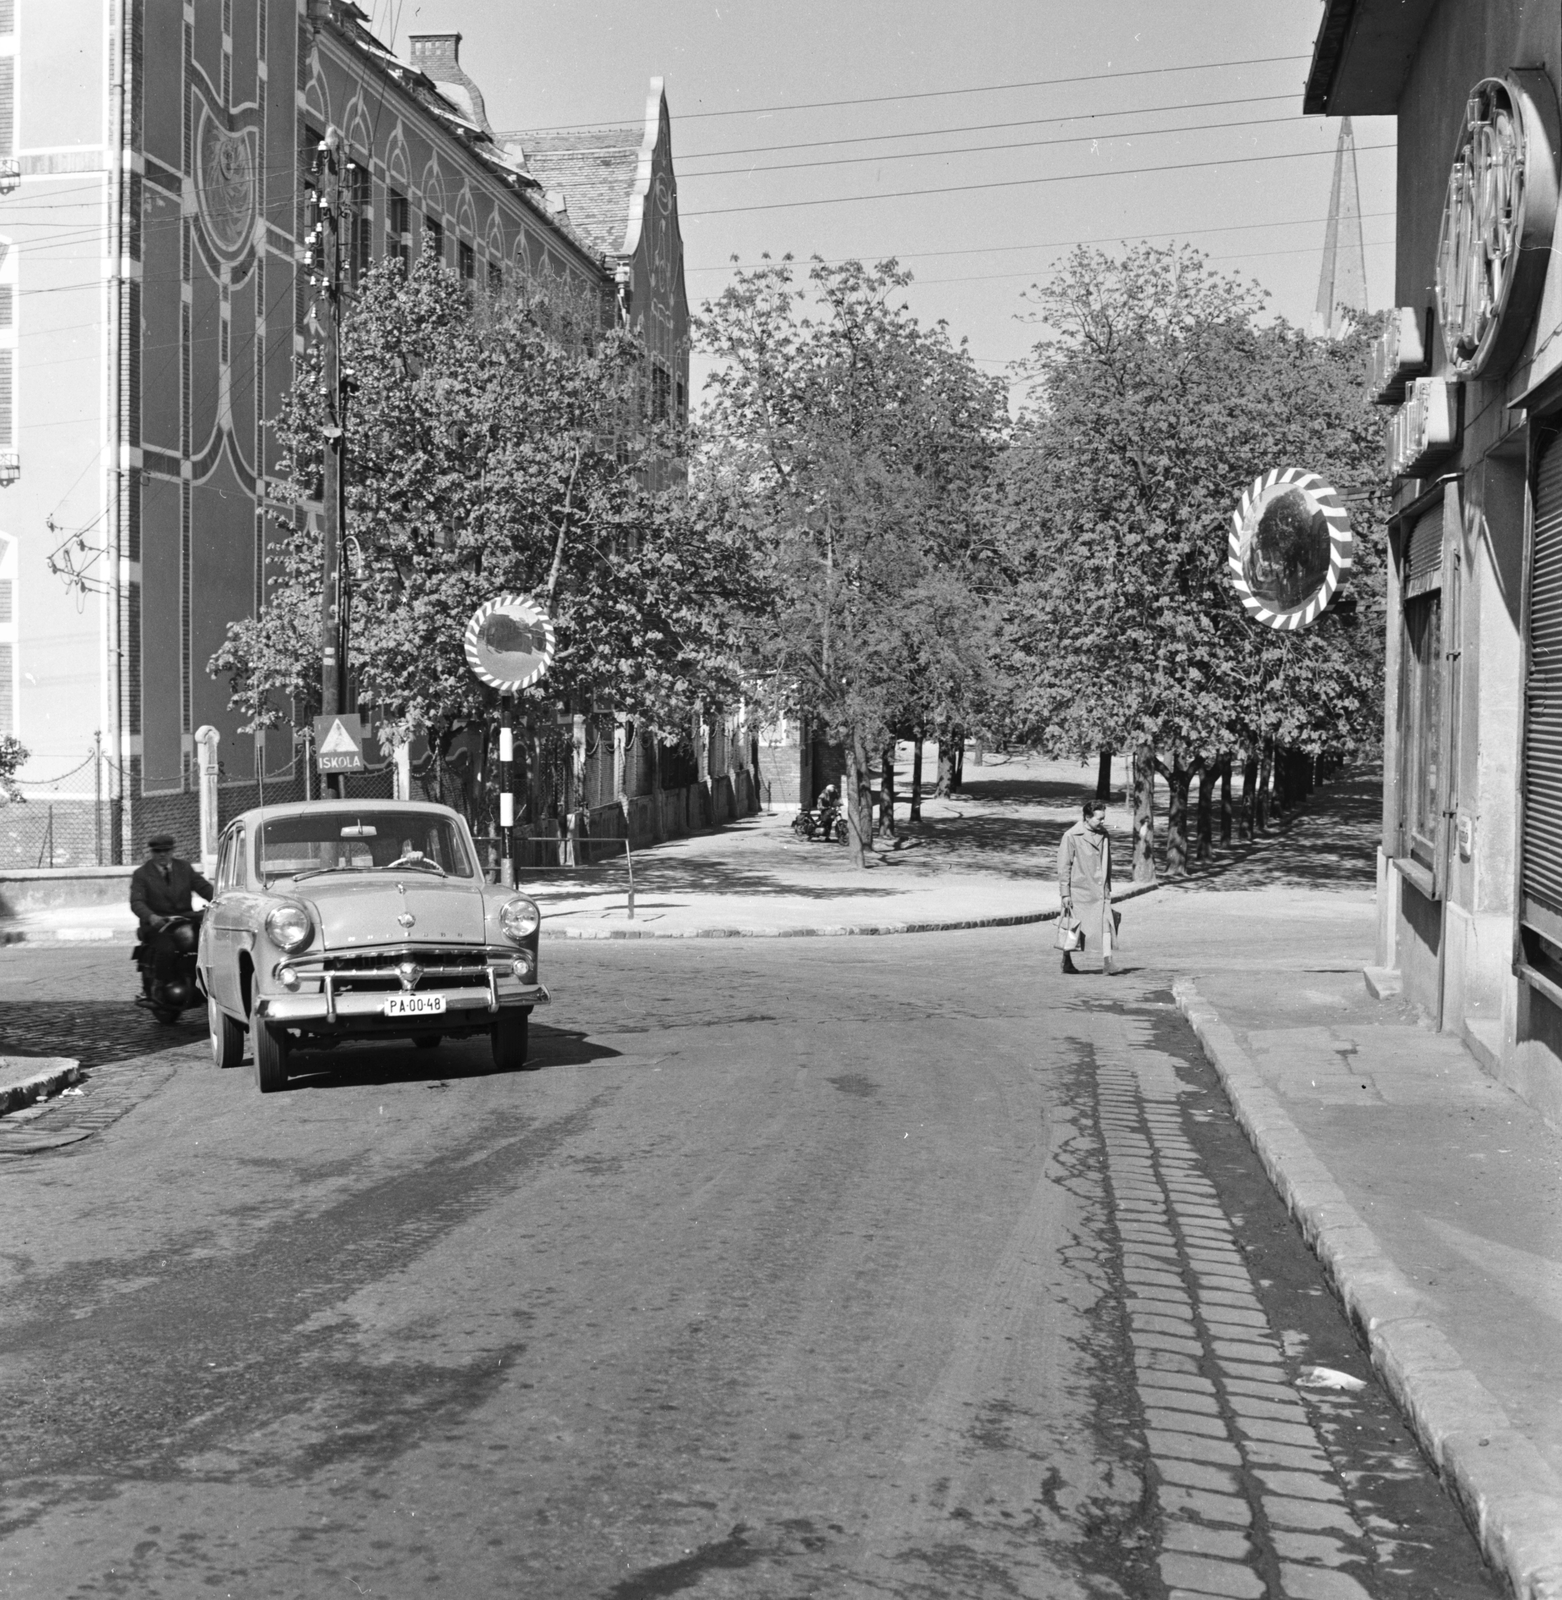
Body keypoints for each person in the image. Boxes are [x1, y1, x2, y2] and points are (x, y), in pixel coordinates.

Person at [130, 834, 214, 1001]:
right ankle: (161, 985)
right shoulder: (141, 874)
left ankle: (205, 982)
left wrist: (220, 899)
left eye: (166, 850)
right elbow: (137, 901)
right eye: (157, 851)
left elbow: (204, 888)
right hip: (158, 924)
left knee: (208, 943)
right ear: (152, 852)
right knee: (167, 949)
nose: (162, 854)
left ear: (172, 850)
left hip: (185, 920)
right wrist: (150, 916)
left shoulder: (184, 868)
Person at [1057, 799, 1117, 976]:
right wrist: (1065, 893)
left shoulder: (1104, 834)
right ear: (1087, 817)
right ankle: (1066, 959)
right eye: (1099, 818)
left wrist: (1108, 886)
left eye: (1104, 818)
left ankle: (1108, 962)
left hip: (1101, 889)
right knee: (1074, 925)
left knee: (1107, 922)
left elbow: (1108, 862)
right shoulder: (1071, 835)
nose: (1103, 822)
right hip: (1080, 890)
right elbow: (1064, 866)